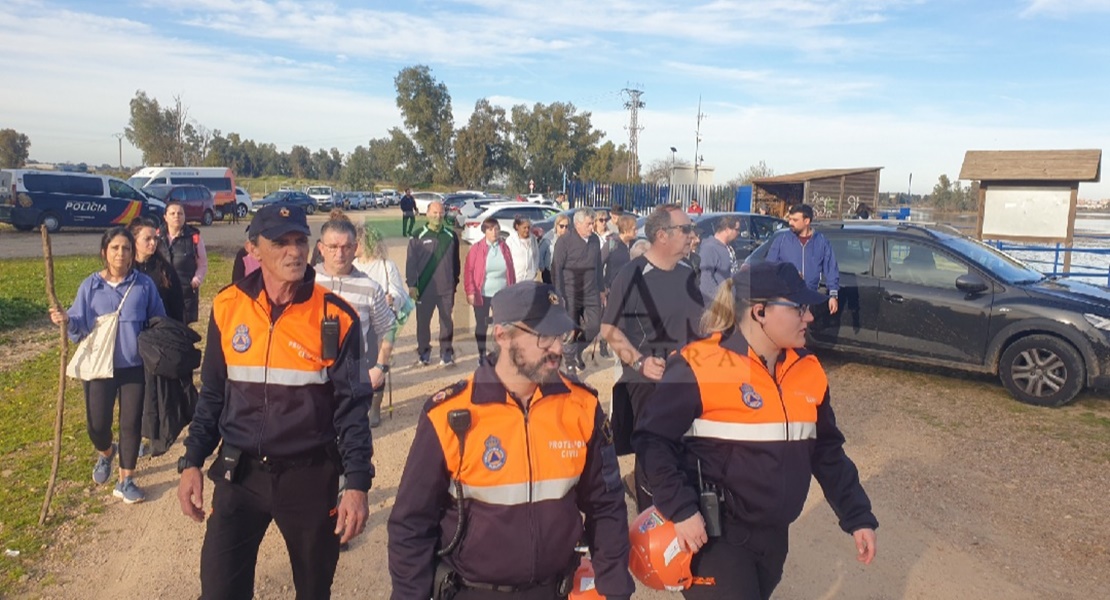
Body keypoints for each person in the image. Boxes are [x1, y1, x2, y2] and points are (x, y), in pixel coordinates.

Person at [632, 261, 878, 599]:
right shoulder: (699, 365)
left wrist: (857, 515)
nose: (809, 317)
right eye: (799, 308)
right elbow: (652, 440)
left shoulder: (808, 369)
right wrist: (682, 509)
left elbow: (827, 451)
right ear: (760, 312)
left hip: (774, 538)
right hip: (715, 538)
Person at [387, 282, 635, 600]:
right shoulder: (449, 413)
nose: (557, 348)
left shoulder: (582, 406)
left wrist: (615, 588)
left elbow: (606, 505)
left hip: (556, 589)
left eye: (561, 336)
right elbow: (411, 523)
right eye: (543, 336)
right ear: (503, 335)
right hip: (473, 591)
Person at [176, 203, 374, 599]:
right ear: (253, 248)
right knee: (218, 590)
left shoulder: (337, 317)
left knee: (313, 590)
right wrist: (192, 461)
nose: (294, 251)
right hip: (241, 476)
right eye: (280, 242)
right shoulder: (228, 306)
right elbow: (212, 394)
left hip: (309, 478)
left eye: (300, 240)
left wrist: (356, 483)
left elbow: (352, 408)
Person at [49, 226, 167, 504]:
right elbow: (78, 323)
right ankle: (105, 452)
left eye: (126, 248)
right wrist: (66, 320)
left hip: (133, 367)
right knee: (97, 425)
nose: (121, 253)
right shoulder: (91, 285)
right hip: (99, 368)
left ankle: (126, 480)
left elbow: (158, 319)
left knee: (130, 424)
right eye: (115, 248)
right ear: (104, 252)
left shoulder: (143, 285)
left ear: (132, 253)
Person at [600, 204, 703, 511]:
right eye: (685, 229)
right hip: (646, 382)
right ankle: (651, 529)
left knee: (684, 456)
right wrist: (640, 362)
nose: (692, 236)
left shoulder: (689, 273)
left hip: (685, 380)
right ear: (662, 235)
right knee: (654, 463)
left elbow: (699, 324)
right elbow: (608, 328)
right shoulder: (632, 274)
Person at [315, 217, 397, 428]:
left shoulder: (371, 288)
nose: (340, 254)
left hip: (353, 380)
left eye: (346, 247)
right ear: (321, 248)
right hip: (311, 380)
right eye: (333, 247)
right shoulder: (306, 283)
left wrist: (380, 367)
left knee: (352, 445)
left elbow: (387, 329)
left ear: (355, 248)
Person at [406, 200, 460, 366]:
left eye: (441, 212)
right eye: (435, 213)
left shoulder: (451, 236)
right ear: (427, 214)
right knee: (423, 323)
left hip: (446, 289)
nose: (438, 216)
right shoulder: (417, 236)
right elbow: (411, 263)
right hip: (424, 289)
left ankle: (446, 354)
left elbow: (456, 263)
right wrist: (412, 285)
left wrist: (454, 283)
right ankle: (424, 354)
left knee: (446, 323)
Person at [552, 207, 603, 374]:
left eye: (593, 223)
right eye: (589, 224)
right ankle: (570, 361)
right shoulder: (564, 241)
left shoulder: (595, 240)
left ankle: (578, 350)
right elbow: (556, 268)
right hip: (570, 291)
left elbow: (598, 265)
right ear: (578, 224)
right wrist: (559, 294)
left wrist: (601, 290)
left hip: (591, 291)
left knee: (594, 326)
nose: (592, 227)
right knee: (570, 328)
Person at [765, 203, 840, 315]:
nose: (790, 223)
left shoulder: (821, 242)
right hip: (786, 300)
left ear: (807, 221)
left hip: (809, 300)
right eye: (790, 219)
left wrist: (833, 296)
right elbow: (769, 268)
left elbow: (831, 269)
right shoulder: (782, 240)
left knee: (806, 331)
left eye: (795, 220)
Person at [464, 218, 517, 367]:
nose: (494, 232)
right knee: (482, 324)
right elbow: (469, 271)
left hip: (502, 294)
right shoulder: (476, 248)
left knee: (502, 325)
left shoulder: (504, 247)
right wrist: (470, 291)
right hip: (483, 293)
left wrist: (512, 290)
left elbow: (510, 270)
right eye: (490, 229)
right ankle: (481, 353)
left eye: (496, 229)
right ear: (485, 232)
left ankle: (500, 353)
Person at [130, 217, 185, 323]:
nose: (153, 243)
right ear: (134, 240)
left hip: (160, 331)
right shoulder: (126, 270)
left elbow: (177, 306)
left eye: (155, 238)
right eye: (147, 239)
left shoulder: (165, 269)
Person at [160, 201, 208, 323]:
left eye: (180, 213)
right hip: (162, 292)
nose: (177, 216)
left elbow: (202, 264)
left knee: (182, 331)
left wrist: (196, 279)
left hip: (185, 293)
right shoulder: (157, 237)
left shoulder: (194, 237)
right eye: (172, 213)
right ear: (165, 217)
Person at [598, 214, 637, 359]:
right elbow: (599, 263)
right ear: (626, 230)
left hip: (630, 288)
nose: (636, 232)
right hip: (613, 288)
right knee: (610, 317)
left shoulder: (634, 244)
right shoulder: (612, 243)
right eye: (634, 229)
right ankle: (603, 343)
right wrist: (603, 286)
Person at [354, 221, 411, 317]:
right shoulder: (350, 266)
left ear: (366, 244)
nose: (351, 246)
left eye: (356, 242)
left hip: (381, 321)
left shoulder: (387, 266)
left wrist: (391, 299)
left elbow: (399, 294)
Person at [698, 214, 741, 301]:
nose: (739, 233)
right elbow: (706, 279)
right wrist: (717, 302)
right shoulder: (709, 249)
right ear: (727, 230)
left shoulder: (729, 247)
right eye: (737, 230)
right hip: (718, 305)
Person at [537, 213, 569, 284]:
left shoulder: (569, 239)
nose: (564, 229)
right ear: (556, 226)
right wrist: (542, 268)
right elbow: (540, 254)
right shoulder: (548, 238)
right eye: (561, 226)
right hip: (549, 272)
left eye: (566, 226)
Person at [505, 215, 538, 283]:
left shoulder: (533, 239)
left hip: (530, 279)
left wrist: (534, 270)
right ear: (517, 226)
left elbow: (536, 256)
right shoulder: (510, 240)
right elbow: (506, 260)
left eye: (528, 227)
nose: (527, 230)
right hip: (516, 279)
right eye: (524, 228)